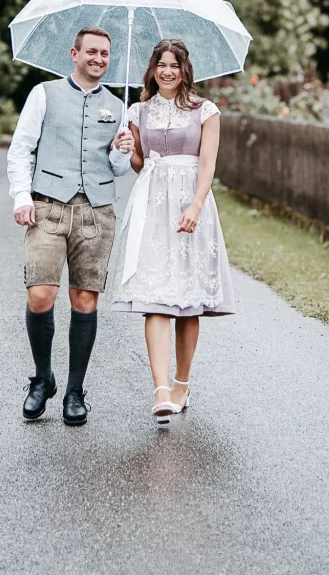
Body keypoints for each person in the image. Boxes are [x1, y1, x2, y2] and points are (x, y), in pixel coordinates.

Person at [7, 26, 135, 426]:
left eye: (105, 55)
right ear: (74, 53)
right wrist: (21, 197)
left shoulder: (119, 107)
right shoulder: (43, 94)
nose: (99, 59)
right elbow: (21, 147)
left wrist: (121, 151)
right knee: (40, 295)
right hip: (47, 206)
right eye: (92, 52)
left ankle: (75, 392)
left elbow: (117, 171)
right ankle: (42, 380)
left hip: (96, 213)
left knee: (85, 301)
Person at [111, 39, 235, 424]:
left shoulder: (205, 111)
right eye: (161, 64)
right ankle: (161, 390)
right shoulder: (139, 110)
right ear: (152, 69)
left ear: (185, 71)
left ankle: (182, 382)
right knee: (154, 296)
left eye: (174, 65)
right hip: (152, 204)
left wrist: (196, 204)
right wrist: (126, 145)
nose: (167, 71)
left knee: (187, 300)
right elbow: (138, 164)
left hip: (188, 206)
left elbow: (208, 164)